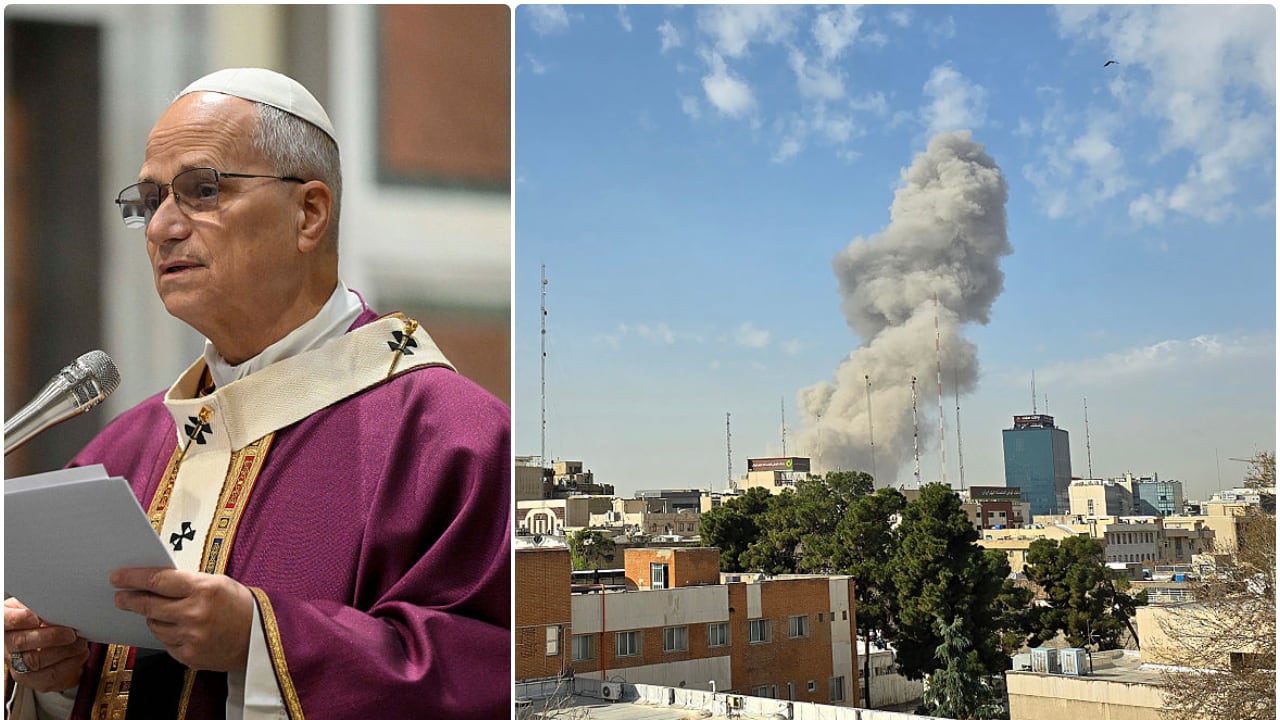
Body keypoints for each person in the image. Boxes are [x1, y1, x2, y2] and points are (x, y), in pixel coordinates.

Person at [3, 68, 511, 719]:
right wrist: (58, 671)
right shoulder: (125, 451)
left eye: (200, 190)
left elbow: (493, 675)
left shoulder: (452, 439)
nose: (161, 227)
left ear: (309, 213)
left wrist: (262, 643)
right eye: (150, 199)